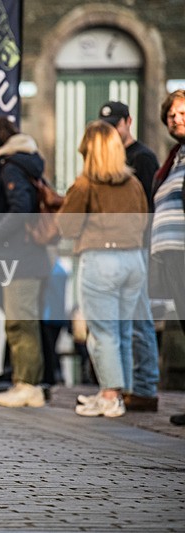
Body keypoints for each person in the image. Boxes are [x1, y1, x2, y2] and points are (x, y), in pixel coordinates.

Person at [57, 121, 147, 417]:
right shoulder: (133, 183)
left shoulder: (86, 184)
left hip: (101, 258)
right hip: (133, 259)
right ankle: (117, 392)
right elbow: (144, 220)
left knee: (102, 331)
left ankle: (109, 395)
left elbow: (67, 227)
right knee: (121, 328)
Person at [0, 117, 51, 408]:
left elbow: (20, 208)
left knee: (21, 322)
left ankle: (28, 385)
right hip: (25, 256)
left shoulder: (12, 166)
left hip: (20, 257)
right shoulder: (23, 163)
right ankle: (24, 382)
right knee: (21, 320)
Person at [97, 101, 161, 412]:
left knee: (138, 320)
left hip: (137, 249)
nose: (111, 130)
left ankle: (146, 386)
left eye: (115, 124)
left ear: (128, 122)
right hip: (114, 251)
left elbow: (149, 208)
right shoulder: (111, 158)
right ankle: (128, 386)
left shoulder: (143, 158)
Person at [150, 90, 185, 426]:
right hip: (172, 252)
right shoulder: (174, 156)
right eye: (172, 114)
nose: (176, 118)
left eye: (182, 113)